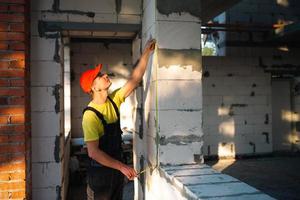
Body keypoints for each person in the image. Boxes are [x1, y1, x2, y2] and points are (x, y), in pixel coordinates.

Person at [80, 39, 156, 200]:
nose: (105, 75)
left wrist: (146, 53)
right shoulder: (90, 115)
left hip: (115, 172)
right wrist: (122, 167)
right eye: (100, 76)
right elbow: (93, 152)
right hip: (100, 175)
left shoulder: (114, 100)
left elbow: (135, 79)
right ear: (94, 87)